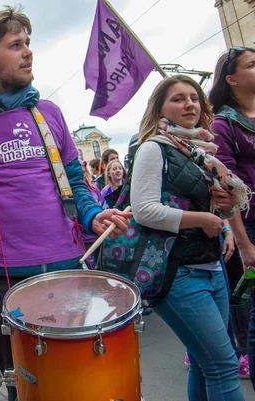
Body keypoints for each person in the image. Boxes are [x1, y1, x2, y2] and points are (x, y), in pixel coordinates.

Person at [0, 7, 130, 401]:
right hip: (4, 280)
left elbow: (75, 183)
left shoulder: (48, 112)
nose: (27, 52)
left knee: (77, 385)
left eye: (28, 44)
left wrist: (93, 215)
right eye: (15, 45)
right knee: (24, 390)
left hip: (67, 268)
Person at [130, 74, 247, 400]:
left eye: (194, 97)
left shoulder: (202, 153)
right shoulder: (154, 148)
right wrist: (205, 219)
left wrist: (223, 217)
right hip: (178, 271)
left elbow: (214, 213)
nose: (189, 104)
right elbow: (144, 210)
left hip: (211, 267)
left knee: (201, 361)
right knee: (224, 365)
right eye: (179, 98)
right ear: (161, 109)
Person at [209, 46, 255, 387]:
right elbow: (228, 192)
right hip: (251, 226)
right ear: (232, 79)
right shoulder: (223, 125)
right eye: (253, 64)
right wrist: (244, 243)